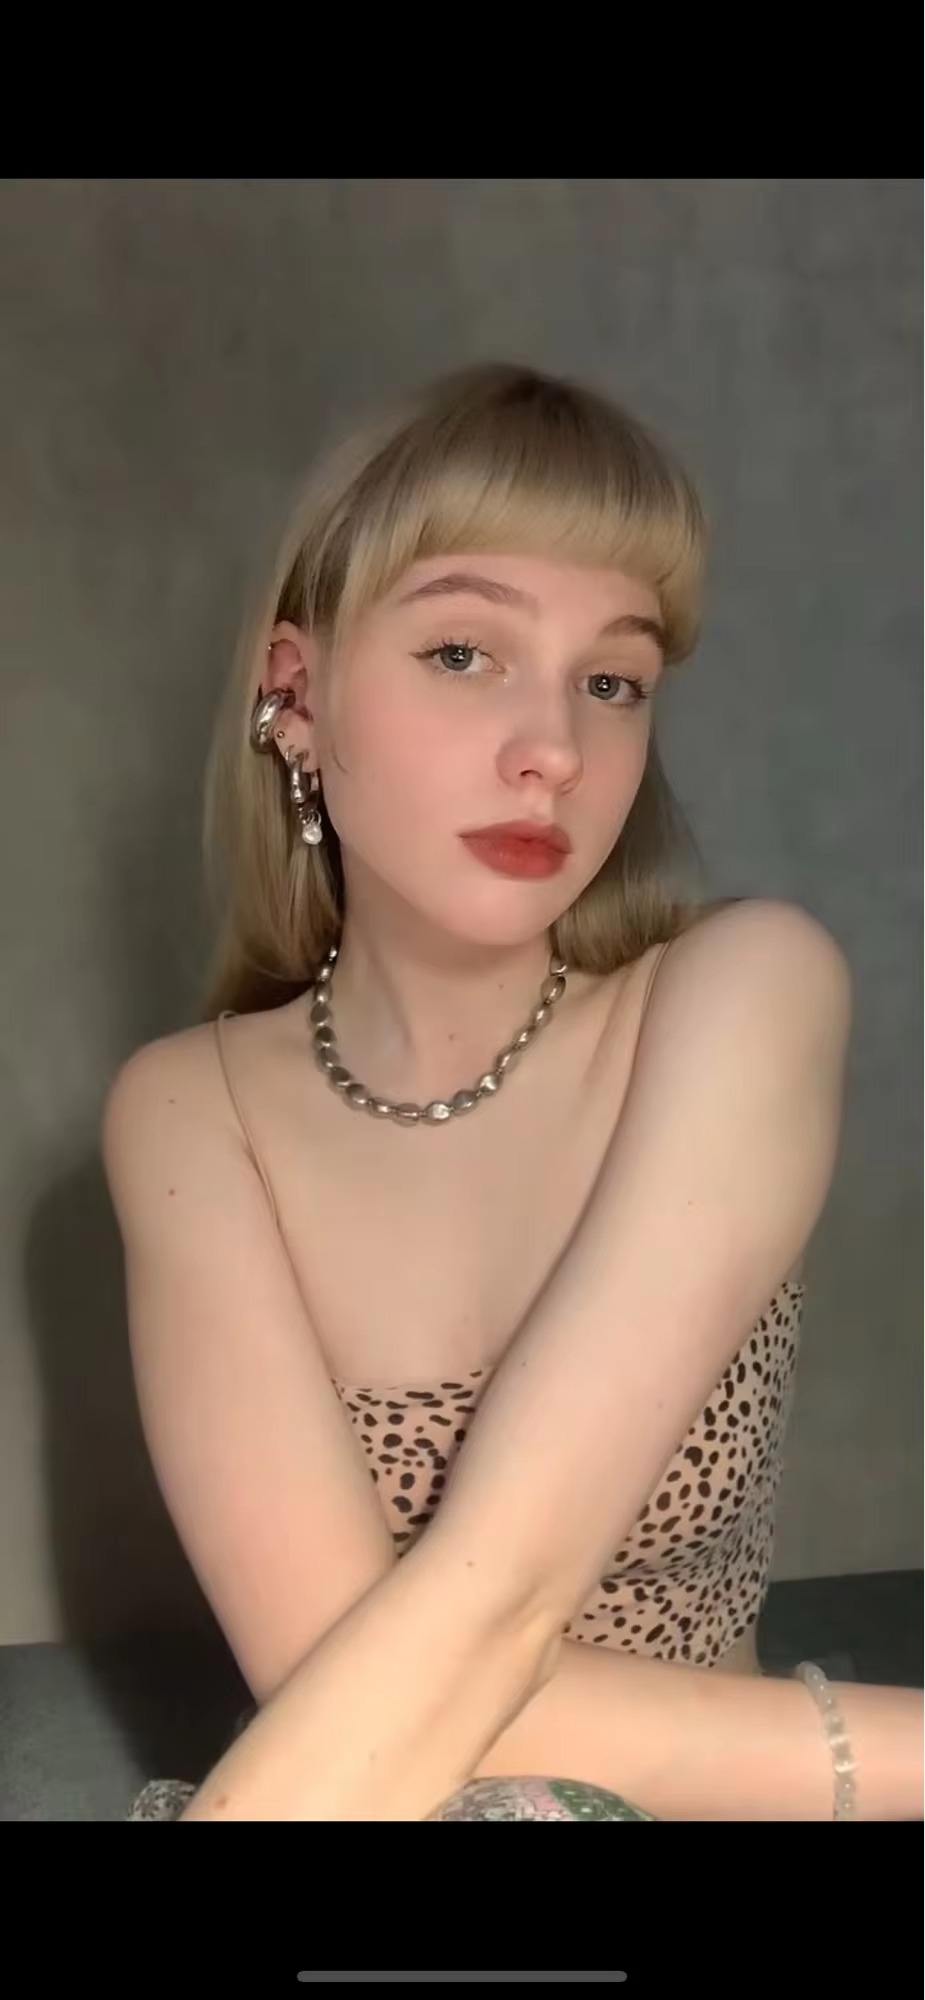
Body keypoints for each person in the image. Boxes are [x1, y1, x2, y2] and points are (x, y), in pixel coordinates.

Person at [102, 362, 922, 1823]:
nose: (553, 750)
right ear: (295, 694)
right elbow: (350, 1687)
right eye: (464, 652)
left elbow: (492, 1614)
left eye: (611, 682)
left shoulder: (738, 995)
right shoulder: (188, 1113)